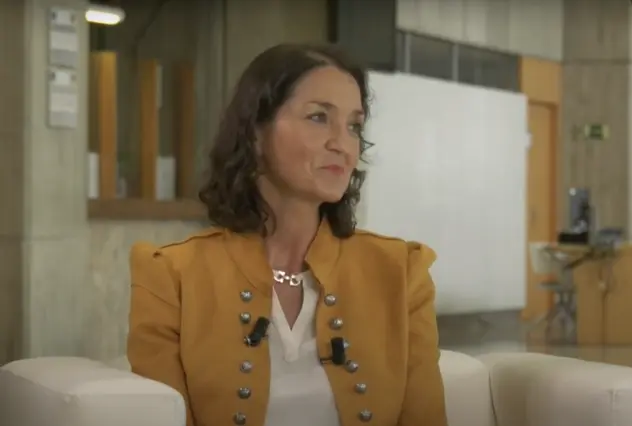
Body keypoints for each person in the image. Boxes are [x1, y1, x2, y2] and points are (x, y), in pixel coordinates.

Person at [126, 43, 449, 426]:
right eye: (318, 117)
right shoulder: (171, 275)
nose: (342, 144)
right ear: (255, 133)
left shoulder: (401, 272)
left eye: (354, 126)